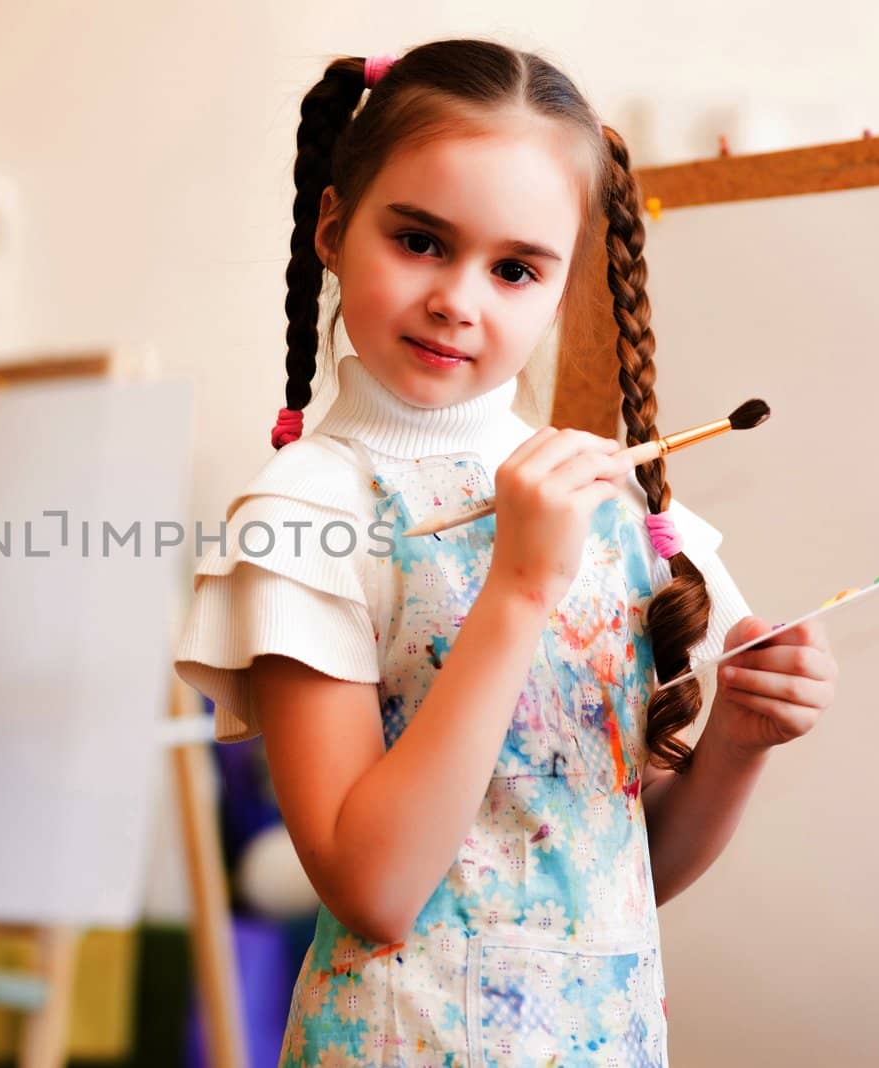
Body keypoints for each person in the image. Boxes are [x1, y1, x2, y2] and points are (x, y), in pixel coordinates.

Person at [174, 40, 838, 1065]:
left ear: (561, 288)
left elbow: (619, 868)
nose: (459, 300)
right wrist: (518, 588)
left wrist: (736, 745)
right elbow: (373, 888)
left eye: (515, 268)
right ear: (335, 230)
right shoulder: (303, 509)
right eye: (421, 241)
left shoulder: (606, 499)